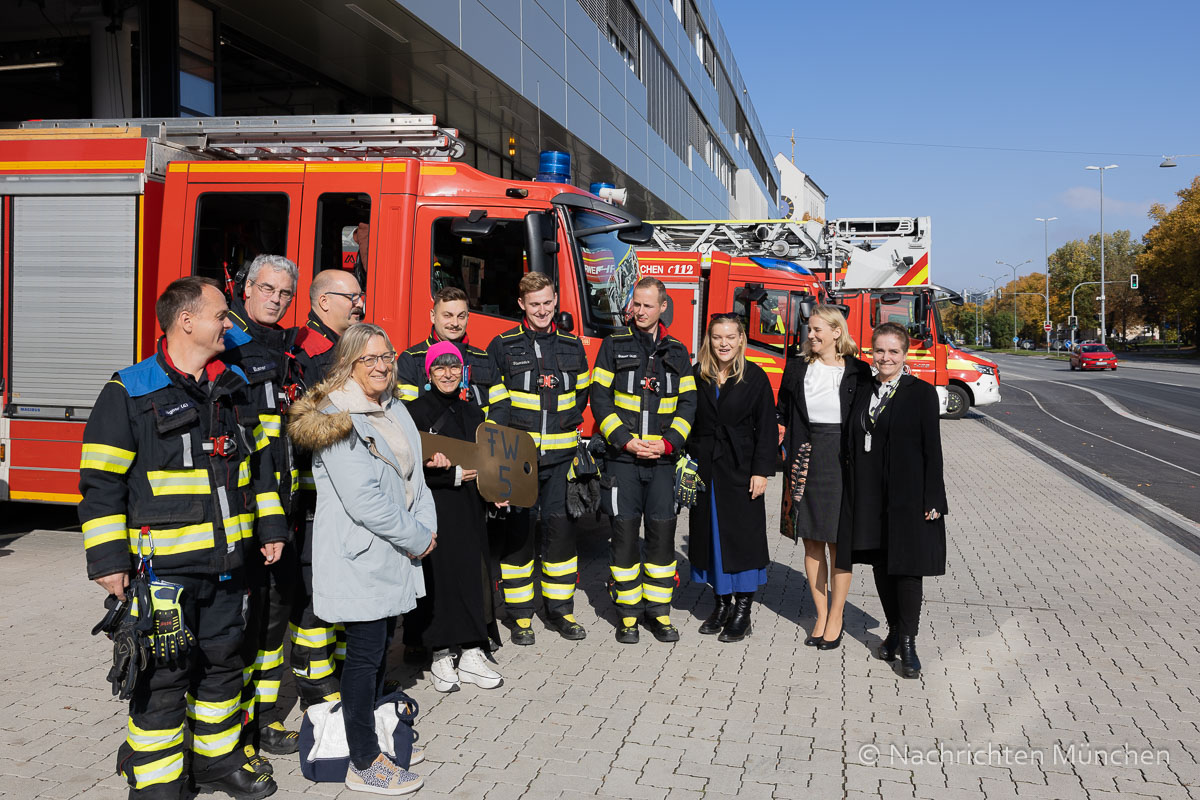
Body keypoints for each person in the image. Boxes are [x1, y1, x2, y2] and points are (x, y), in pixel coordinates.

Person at [79, 276, 285, 800]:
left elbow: (259, 465)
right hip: (161, 571)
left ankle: (216, 762)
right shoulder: (129, 390)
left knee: (224, 667)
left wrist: (271, 526)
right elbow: (100, 482)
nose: (229, 323)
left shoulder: (232, 387)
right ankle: (156, 782)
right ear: (186, 320)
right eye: (221, 314)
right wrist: (107, 559)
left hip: (227, 564)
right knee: (162, 677)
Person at [287, 323, 436, 794]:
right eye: (369, 359)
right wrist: (416, 537)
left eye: (386, 357)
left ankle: (371, 738)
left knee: (376, 656)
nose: (381, 366)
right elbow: (364, 502)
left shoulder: (394, 408)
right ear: (349, 364)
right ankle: (364, 761)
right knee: (364, 657)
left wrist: (426, 528)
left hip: (392, 550)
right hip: (362, 555)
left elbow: (417, 478)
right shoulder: (338, 417)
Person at [223, 254, 304, 764]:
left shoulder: (282, 349)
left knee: (273, 626)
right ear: (247, 288)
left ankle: (265, 717)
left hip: (281, 509)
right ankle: (225, 727)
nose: (276, 300)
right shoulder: (227, 344)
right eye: (269, 289)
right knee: (237, 628)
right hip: (244, 513)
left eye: (284, 294)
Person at [590, 277, 697, 643]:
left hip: (663, 463)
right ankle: (628, 616)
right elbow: (599, 397)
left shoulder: (678, 351)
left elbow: (688, 405)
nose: (640, 311)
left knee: (662, 539)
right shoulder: (613, 344)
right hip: (623, 460)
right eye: (636, 304)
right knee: (623, 537)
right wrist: (624, 441)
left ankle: (659, 613)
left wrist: (668, 444)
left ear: (663, 307)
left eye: (648, 305)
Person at [838, 322, 948, 679]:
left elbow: (933, 449)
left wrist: (934, 496)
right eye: (879, 351)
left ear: (905, 355)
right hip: (869, 492)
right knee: (882, 564)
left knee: (907, 567)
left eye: (893, 352)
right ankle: (894, 630)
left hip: (909, 493)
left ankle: (910, 641)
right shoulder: (862, 388)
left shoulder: (921, 393)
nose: (885, 358)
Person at [486, 272, 590, 644]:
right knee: (518, 537)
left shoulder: (572, 345)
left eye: (547, 303)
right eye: (534, 305)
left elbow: (581, 395)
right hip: (520, 460)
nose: (542, 310)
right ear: (521, 305)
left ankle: (560, 611)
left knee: (561, 535)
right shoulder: (502, 345)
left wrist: (562, 429)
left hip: (561, 458)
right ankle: (519, 616)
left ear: (556, 299)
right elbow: (495, 407)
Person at [287, 268, 367, 708]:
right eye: (352, 296)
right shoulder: (305, 354)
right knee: (316, 598)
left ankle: (339, 679)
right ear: (323, 303)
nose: (359, 303)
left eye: (360, 295)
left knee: (342, 591)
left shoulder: (344, 349)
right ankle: (316, 691)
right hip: (316, 498)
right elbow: (305, 428)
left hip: (346, 496)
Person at [405, 342, 504, 692]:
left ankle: (473, 650)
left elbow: (490, 464)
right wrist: (452, 475)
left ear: (463, 372)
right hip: (434, 506)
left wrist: (500, 493)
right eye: (439, 368)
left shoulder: (476, 415)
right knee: (439, 579)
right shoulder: (413, 413)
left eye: (454, 367)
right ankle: (441, 654)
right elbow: (409, 468)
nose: (447, 373)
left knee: (471, 576)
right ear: (428, 374)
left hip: (469, 508)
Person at [775, 305, 872, 650]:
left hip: (842, 462)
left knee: (838, 543)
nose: (811, 335)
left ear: (836, 332)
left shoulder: (859, 371)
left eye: (818, 330)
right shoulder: (797, 368)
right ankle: (820, 613)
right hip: (805, 458)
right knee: (812, 540)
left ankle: (836, 615)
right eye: (809, 330)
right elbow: (783, 412)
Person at [686, 314, 776, 643]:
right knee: (711, 538)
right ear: (708, 340)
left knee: (743, 539)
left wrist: (761, 471)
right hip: (706, 468)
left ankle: (742, 612)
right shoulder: (698, 374)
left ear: (741, 340)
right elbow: (688, 419)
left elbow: (766, 428)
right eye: (717, 337)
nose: (723, 343)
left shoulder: (755, 377)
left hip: (742, 468)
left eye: (730, 337)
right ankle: (721, 605)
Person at [396, 286, 498, 410]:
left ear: (468, 318)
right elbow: (405, 410)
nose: (455, 323)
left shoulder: (484, 359)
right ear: (433, 316)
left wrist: (483, 429)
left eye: (461, 316)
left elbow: (501, 405)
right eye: (447, 316)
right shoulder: (411, 359)